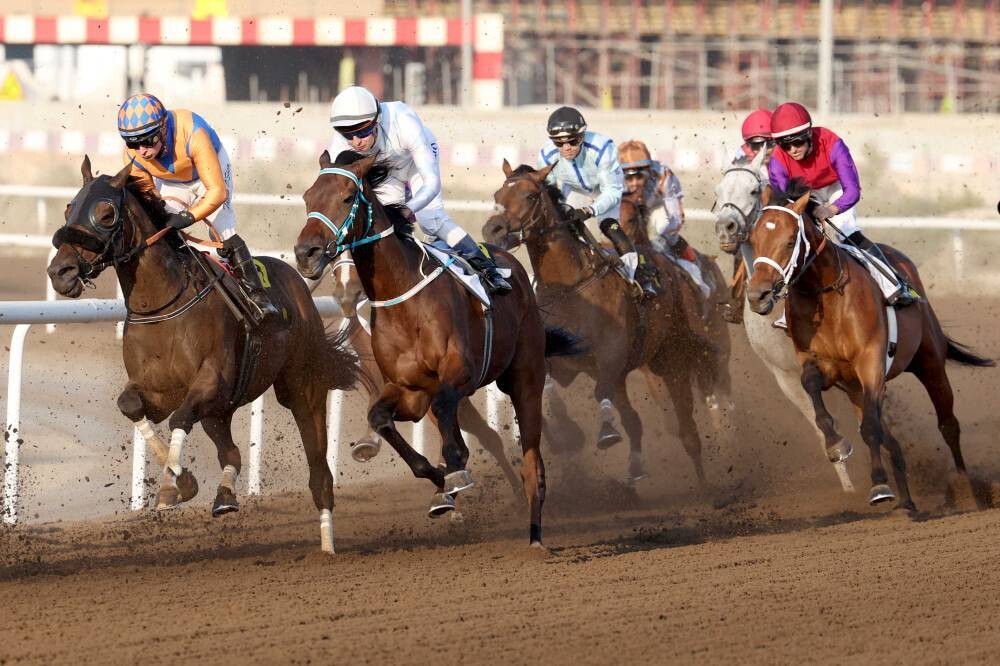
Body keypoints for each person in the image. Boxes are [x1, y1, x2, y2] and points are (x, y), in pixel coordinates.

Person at [327, 86, 510, 293]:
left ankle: (488, 269)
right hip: (386, 168)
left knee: (430, 219)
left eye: (363, 131)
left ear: (376, 119)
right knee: (385, 224)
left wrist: (408, 209)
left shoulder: (403, 121)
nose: (356, 141)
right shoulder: (340, 144)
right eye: (348, 135)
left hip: (414, 159)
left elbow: (431, 184)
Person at [118, 93, 279, 321]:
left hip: (208, 177)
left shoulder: (194, 133)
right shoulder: (132, 154)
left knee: (221, 229)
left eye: (148, 140)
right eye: (133, 142)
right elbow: (148, 195)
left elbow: (217, 192)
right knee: (163, 228)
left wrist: (189, 216)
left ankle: (258, 297)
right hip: (173, 182)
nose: (142, 150)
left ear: (163, 128)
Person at [768, 101, 919, 328]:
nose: (793, 150)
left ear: (809, 134)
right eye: (785, 145)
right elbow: (785, 200)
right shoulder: (778, 160)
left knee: (847, 233)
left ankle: (894, 285)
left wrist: (831, 209)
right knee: (797, 243)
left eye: (797, 142)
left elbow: (853, 190)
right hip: (804, 195)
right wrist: (809, 213)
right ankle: (787, 311)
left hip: (835, 187)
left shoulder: (831, 142)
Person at [537, 107, 659, 298]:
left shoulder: (602, 147)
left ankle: (639, 278)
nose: (566, 147)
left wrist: (590, 209)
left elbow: (612, 191)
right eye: (559, 142)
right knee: (561, 228)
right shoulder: (546, 155)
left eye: (572, 140)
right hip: (574, 189)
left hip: (604, 189)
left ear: (582, 135)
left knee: (609, 227)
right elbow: (550, 193)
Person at [618, 140, 711, 299]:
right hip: (630, 208)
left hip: (657, 206)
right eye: (629, 178)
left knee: (658, 232)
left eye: (639, 177)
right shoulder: (614, 179)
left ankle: (694, 269)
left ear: (648, 171)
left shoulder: (664, 176)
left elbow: (676, 218)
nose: (633, 184)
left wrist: (656, 236)